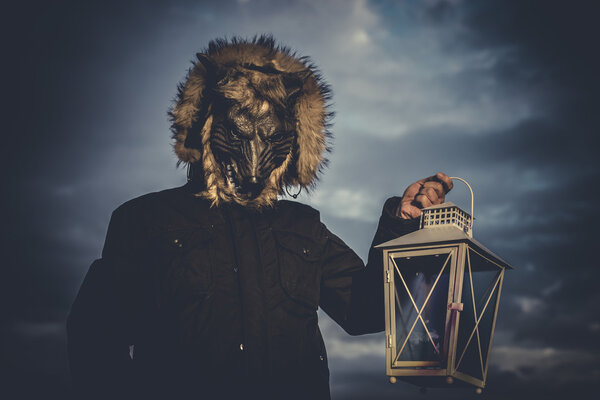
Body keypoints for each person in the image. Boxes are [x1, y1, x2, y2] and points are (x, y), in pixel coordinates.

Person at [66, 35, 453, 400]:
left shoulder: (304, 228)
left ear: (294, 141)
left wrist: (403, 227)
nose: (253, 162)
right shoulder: (147, 220)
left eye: (269, 137)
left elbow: (368, 310)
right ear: (205, 124)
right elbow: (94, 335)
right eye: (239, 131)